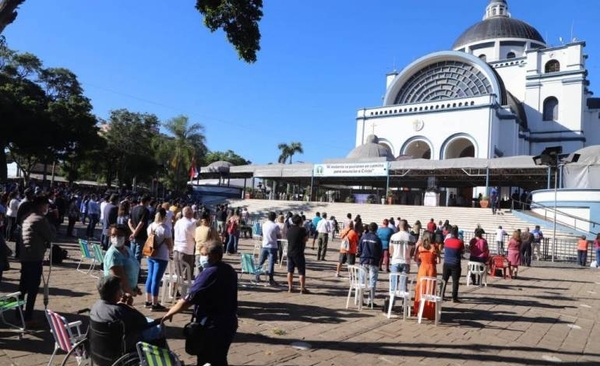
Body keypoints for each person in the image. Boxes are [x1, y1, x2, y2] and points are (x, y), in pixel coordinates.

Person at [162, 241, 238, 366]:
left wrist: (170, 313)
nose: (201, 258)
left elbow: (188, 299)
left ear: (215, 255)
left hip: (212, 324)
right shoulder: (229, 270)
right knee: (220, 357)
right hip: (228, 322)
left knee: (207, 358)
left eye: (204, 254)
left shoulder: (209, 273)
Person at [90, 275, 164, 359]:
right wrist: (128, 306)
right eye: (120, 289)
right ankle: (164, 360)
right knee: (158, 328)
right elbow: (143, 322)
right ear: (116, 292)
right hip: (121, 353)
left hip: (99, 353)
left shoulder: (95, 306)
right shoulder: (119, 310)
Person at [18, 196, 56, 326]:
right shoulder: (40, 219)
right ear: (41, 206)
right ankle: (28, 317)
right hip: (35, 257)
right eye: (46, 206)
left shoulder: (26, 217)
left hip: (25, 256)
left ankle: (18, 312)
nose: (47, 208)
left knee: (23, 286)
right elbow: (51, 237)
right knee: (33, 288)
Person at [144, 208, 173, 311]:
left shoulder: (150, 226)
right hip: (161, 256)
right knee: (156, 279)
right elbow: (170, 245)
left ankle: (148, 300)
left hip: (150, 254)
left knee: (150, 277)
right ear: (165, 216)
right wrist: (171, 250)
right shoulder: (166, 228)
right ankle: (155, 303)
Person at [103, 225, 140, 296]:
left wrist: (134, 287)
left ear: (125, 237)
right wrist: (130, 292)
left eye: (120, 235)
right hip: (117, 295)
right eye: (113, 235)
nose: (116, 238)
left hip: (128, 292)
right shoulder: (113, 254)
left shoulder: (127, 249)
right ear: (110, 237)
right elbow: (119, 277)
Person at [413, 232, 439, 320]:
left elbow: (416, 259)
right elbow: (438, 261)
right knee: (430, 289)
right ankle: (429, 310)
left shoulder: (420, 247)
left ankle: (419, 309)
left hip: (422, 268)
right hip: (431, 268)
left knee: (421, 288)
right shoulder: (434, 247)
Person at [388, 219, 415, 307]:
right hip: (405, 261)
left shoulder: (394, 236)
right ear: (406, 226)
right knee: (403, 284)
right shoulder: (411, 237)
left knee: (394, 283)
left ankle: (392, 303)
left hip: (396, 260)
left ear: (399, 226)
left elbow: (390, 251)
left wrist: (394, 255)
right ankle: (404, 304)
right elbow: (412, 252)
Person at [357, 222, 383, 307]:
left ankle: (360, 299)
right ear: (376, 230)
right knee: (372, 282)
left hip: (364, 261)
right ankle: (370, 301)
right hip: (373, 262)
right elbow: (380, 252)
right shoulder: (377, 239)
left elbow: (359, 249)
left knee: (362, 281)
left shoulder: (363, 237)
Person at [286, 214, 309, 293]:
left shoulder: (289, 229)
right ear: (300, 221)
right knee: (301, 271)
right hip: (298, 252)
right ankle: (302, 288)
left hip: (290, 251)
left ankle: (290, 287)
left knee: (290, 270)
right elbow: (305, 239)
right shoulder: (302, 230)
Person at [257, 212, 281, 286]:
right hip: (273, 246)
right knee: (271, 263)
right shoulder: (275, 226)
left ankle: (257, 275)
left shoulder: (264, 224)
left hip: (265, 244)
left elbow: (262, 233)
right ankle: (271, 278)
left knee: (261, 261)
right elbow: (279, 236)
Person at [442, 226, 464, 303]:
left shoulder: (447, 241)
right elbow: (462, 252)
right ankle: (454, 297)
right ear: (457, 233)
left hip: (446, 262)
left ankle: (441, 295)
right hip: (455, 263)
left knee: (444, 280)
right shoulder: (460, 242)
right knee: (455, 281)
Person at [173, 206, 197, 272]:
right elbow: (195, 236)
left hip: (176, 248)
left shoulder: (178, 222)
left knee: (178, 272)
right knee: (187, 274)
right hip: (187, 250)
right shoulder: (191, 224)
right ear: (190, 214)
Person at [128, 195, 151, 263]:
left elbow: (129, 222)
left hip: (132, 234)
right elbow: (141, 223)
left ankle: (131, 269)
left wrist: (133, 231)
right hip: (141, 235)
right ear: (147, 202)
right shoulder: (145, 210)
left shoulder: (133, 208)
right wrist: (135, 233)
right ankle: (136, 271)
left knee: (132, 254)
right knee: (138, 255)